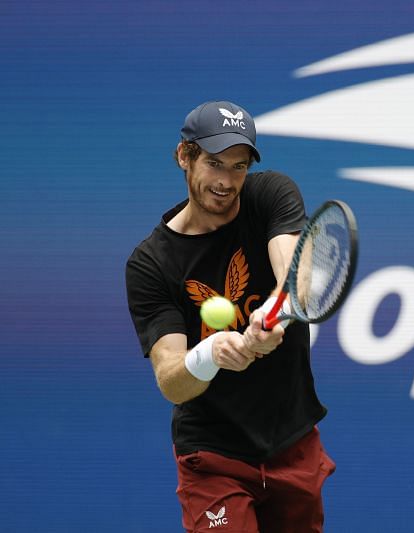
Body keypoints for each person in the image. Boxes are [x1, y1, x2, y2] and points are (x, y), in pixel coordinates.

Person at [125, 100, 335, 532]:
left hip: (291, 440)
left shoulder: (271, 195)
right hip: (213, 456)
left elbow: (297, 278)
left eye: (238, 167)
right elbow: (172, 381)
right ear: (184, 156)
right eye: (215, 163)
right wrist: (211, 355)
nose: (226, 181)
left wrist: (272, 317)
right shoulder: (151, 264)